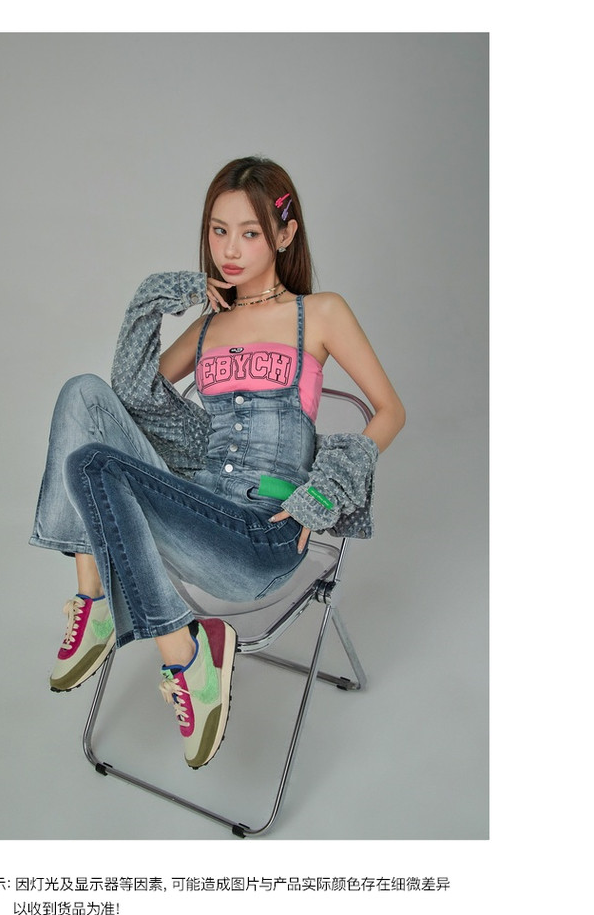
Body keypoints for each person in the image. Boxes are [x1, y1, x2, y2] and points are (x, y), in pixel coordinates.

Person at [29, 157, 405, 769]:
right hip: (196, 518)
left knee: (95, 466)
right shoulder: (209, 326)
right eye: (218, 230)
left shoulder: (320, 313)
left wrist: (323, 494)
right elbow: (127, 399)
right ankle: (100, 604)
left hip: (262, 535)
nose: (229, 250)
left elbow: (389, 411)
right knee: (82, 394)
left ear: (284, 234)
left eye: (250, 233)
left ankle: (183, 657)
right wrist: (157, 296)